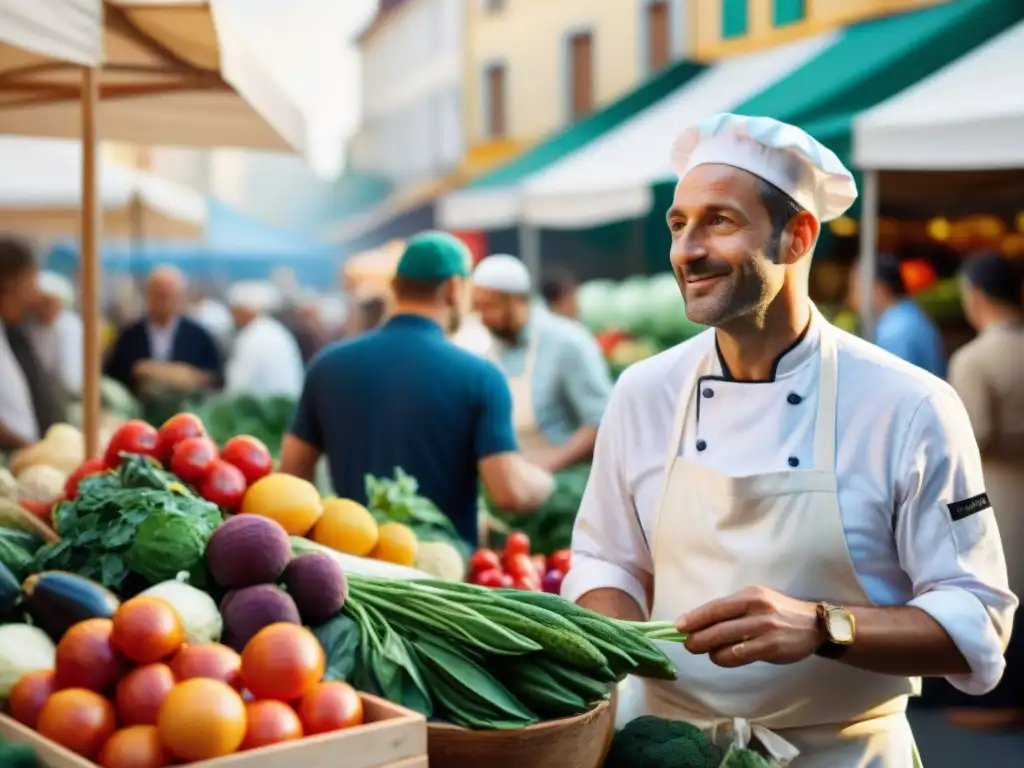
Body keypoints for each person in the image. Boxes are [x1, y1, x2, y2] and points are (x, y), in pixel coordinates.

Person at [561, 113, 1016, 766]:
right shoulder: (643, 391)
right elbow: (606, 559)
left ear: (798, 235)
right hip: (664, 749)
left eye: (718, 220)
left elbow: (976, 622)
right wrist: (618, 632)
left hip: (844, 755)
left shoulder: (911, 405)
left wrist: (823, 626)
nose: (686, 250)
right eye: (678, 223)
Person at [278, 232, 555, 546]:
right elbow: (511, 492)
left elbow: (291, 476)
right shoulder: (481, 376)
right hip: (442, 581)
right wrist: (546, 483)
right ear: (454, 288)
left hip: (357, 575)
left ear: (395, 288)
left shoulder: (326, 365)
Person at [941, 252, 1024, 730]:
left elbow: (968, 442)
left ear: (976, 296)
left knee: (999, 593)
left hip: (995, 493)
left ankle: (995, 702)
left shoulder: (974, 358)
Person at [471, 254, 612, 472]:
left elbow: (602, 420)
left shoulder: (567, 342)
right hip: (520, 483)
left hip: (569, 484)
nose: (483, 317)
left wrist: (554, 460)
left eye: (490, 307)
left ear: (518, 300)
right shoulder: (490, 353)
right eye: (478, 308)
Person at [103, 265, 224, 399]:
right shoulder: (129, 335)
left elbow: (217, 378)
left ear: (181, 297)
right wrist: (140, 371)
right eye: (159, 295)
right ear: (148, 296)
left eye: (169, 296)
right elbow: (111, 376)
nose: (164, 302)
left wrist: (187, 376)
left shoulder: (200, 336)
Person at [0, 236, 66, 450]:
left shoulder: (15, 326)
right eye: (32, 277)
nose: (37, 288)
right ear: (12, 281)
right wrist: (28, 448)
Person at [848, 253, 947, 377]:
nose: (851, 298)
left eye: (854, 288)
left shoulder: (894, 331)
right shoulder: (911, 315)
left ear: (878, 288)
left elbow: (890, 387)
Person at [223, 281, 305, 398]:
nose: (232, 316)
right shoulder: (274, 330)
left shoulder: (253, 336)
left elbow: (238, 386)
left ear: (245, 309)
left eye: (234, 310)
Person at [28, 270, 83, 397]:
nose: (41, 307)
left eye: (46, 302)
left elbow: (70, 376)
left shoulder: (69, 326)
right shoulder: (32, 325)